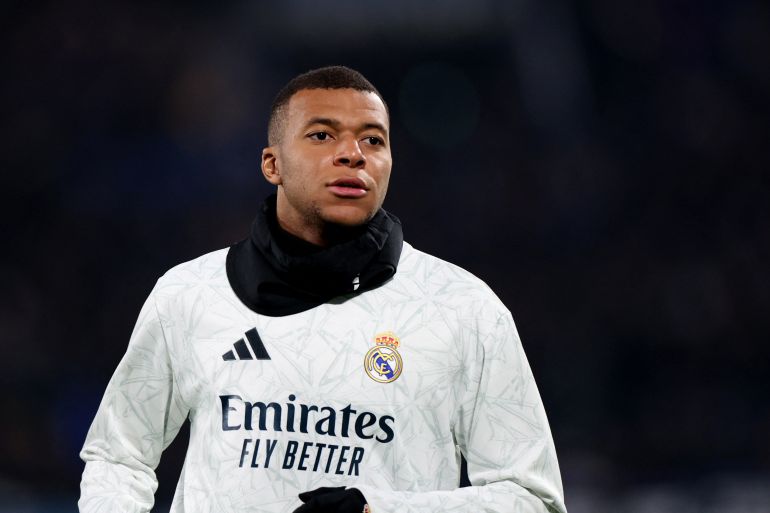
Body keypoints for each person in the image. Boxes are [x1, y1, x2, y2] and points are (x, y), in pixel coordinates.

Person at [79, 65, 568, 513]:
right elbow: (118, 457)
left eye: (373, 140)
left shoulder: (464, 310)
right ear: (273, 165)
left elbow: (531, 499)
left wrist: (380, 511)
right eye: (321, 135)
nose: (352, 154)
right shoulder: (189, 295)